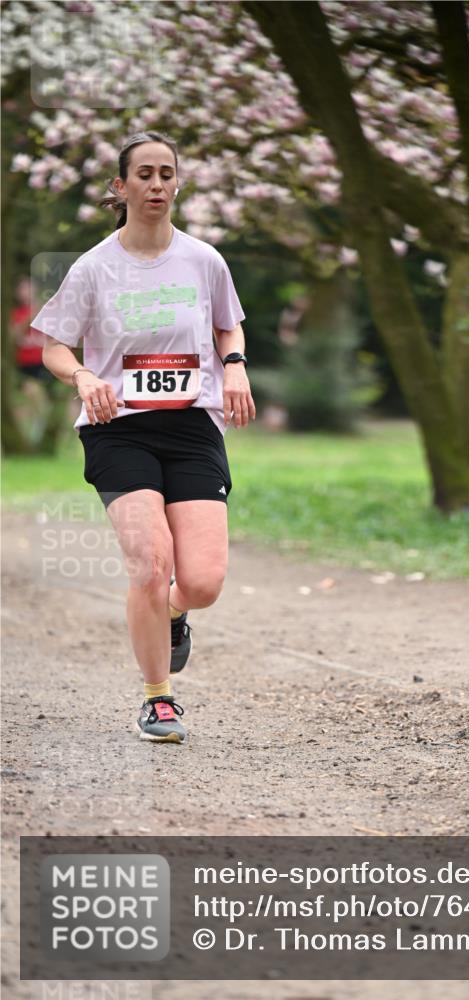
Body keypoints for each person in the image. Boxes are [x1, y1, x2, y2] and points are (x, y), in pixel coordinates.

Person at [33, 131, 256, 745]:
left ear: (177, 183)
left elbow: (227, 329)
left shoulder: (204, 260)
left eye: (167, 174)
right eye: (145, 175)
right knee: (150, 564)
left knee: (203, 581)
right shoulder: (95, 266)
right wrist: (81, 376)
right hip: (118, 429)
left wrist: (233, 365)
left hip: (191, 427)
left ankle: (177, 614)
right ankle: (158, 699)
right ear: (120, 186)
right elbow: (55, 342)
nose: (157, 185)